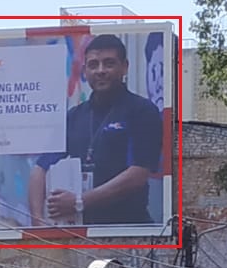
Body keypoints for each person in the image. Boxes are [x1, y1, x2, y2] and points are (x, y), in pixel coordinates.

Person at [28, 33, 164, 227]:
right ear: (85, 70)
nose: (100, 71)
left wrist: (79, 201)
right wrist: (37, 220)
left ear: (124, 67)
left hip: (128, 231)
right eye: (93, 64)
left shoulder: (141, 110)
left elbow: (138, 175)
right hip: (81, 232)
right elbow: (40, 168)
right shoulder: (74, 116)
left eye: (109, 63)